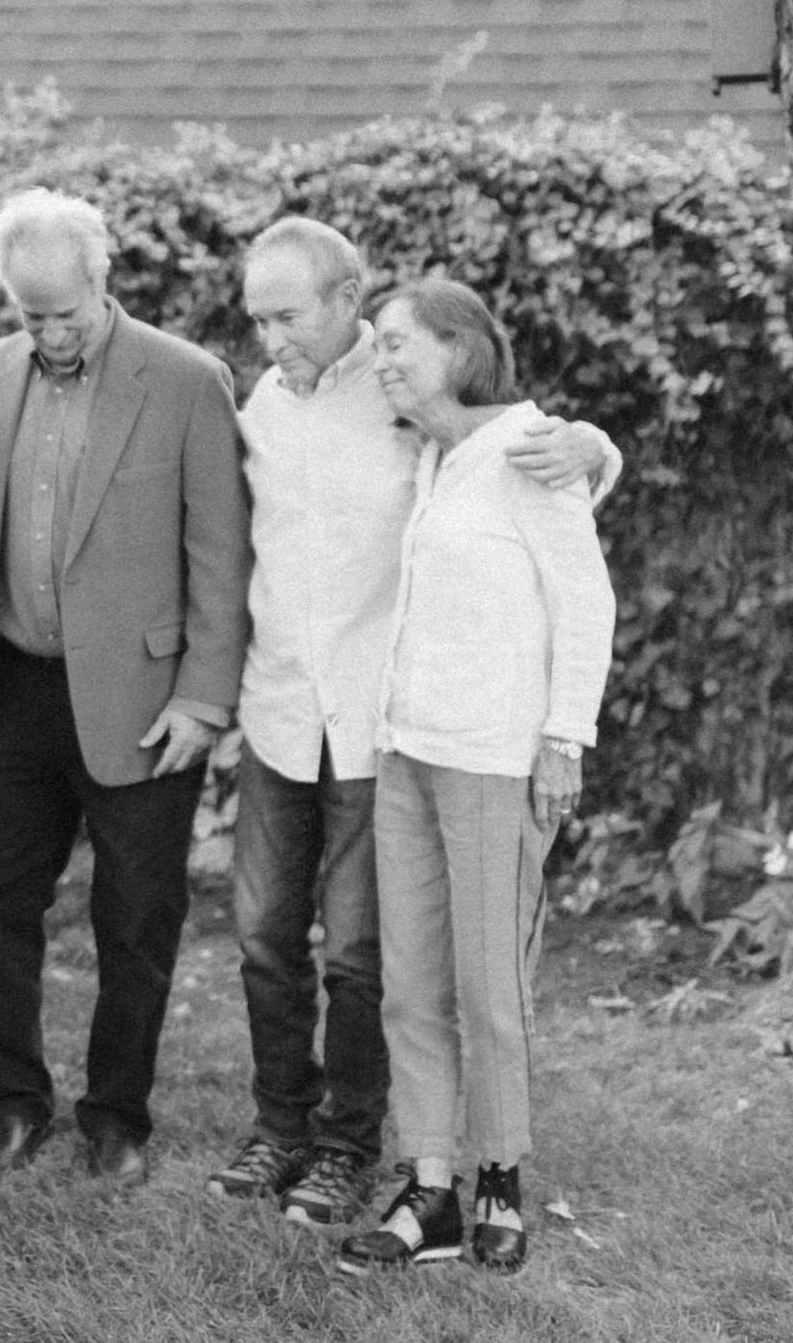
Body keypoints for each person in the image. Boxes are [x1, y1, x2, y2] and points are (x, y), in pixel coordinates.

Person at [211, 218, 618, 1230]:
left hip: (408, 735)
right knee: (282, 944)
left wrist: (596, 445)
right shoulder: (272, 406)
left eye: (286, 314)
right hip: (301, 714)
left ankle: (391, 1156)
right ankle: (327, 1142)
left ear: (348, 299)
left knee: (375, 957)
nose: (269, 337)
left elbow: (555, 530)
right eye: (255, 317)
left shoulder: (441, 413)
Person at [0, 187, 253, 1184]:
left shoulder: (186, 378)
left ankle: (116, 1114)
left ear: (103, 279)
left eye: (66, 315)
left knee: (134, 919)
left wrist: (204, 697)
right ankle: (8, 1100)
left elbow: (219, 548)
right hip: (7, 687)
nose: (50, 334)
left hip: (143, 698)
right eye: (31, 316)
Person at [333, 279, 615, 1277]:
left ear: (460, 344)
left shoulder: (534, 450)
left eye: (398, 342)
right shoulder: (430, 453)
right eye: (375, 347)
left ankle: (500, 1175)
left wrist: (562, 740)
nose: (383, 359)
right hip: (406, 753)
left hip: (496, 762)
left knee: (488, 986)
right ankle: (432, 1185)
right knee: (409, 987)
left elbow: (583, 605)